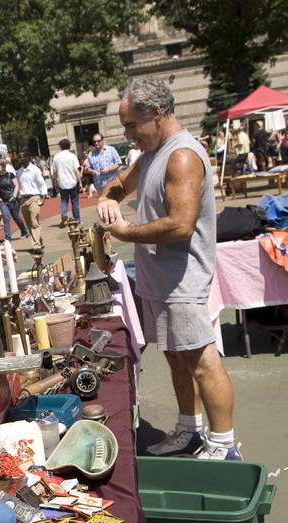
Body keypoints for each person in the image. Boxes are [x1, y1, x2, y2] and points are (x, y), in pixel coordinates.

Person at [97, 76, 242, 461]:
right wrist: (109, 200)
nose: (127, 134)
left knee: (201, 360)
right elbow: (117, 184)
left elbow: (181, 224)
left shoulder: (181, 155)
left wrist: (126, 233)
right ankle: (189, 430)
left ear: (157, 113)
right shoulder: (151, 154)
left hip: (183, 281)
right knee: (177, 357)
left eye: (131, 124)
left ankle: (224, 444)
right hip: (160, 280)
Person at [16, 151, 47, 254]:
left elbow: (42, 184)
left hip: (34, 198)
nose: (19, 159)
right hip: (23, 200)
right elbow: (19, 186)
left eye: (21, 157)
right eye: (18, 158)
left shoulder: (35, 170)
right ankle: (39, 241)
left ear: (27, 158)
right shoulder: (19, 172)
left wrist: (43, 198)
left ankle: (36, 246)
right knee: (29, 224)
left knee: (34, 222)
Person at [0, 160, 29, 241]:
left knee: (16, 218)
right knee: (6, 218)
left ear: (3, 166)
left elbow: (16, 185)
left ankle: (24, 231)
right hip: (2, 201)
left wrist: (14, 195)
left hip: (12, 200)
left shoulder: (10, 175)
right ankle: (8, 238)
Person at [51, 139, 82, 227]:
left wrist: (55, 183)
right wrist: (80, 182)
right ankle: (77, 219)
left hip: (62, 182)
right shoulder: (72, 156)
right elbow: (76, 170)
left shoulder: (56, 157)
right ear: (69, 146)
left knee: (64, 200)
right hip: (72, 181)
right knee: (75, 201)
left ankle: (64, 213)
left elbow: (55, 172)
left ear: (60, 146)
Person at [85, 133, 121, 197]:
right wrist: (93, 171)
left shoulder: (111, 150)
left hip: (111, 183)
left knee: (113, 203)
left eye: (98, 141)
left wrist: (109, 169)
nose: (96, 143)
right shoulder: (91, 153)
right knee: (103, 205)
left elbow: (118, 163)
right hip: (99, 185)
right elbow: (87, 167)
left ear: (102, 140)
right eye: (94, 141)